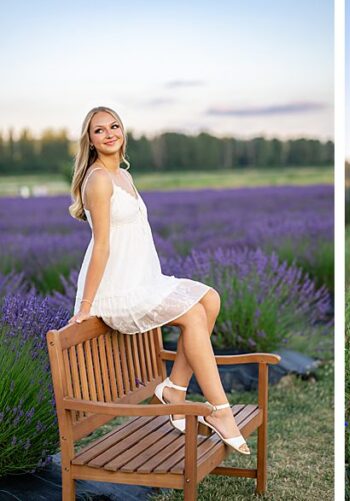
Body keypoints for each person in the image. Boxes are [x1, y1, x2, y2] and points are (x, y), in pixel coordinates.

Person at [68, 106, 250, 455]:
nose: (109, 134)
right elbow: (101, 246)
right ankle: (221, 411)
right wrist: (87, 306)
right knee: (194, 315)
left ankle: (175, 388)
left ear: (123, 131)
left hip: (144, 279)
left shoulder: (122, 175)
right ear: (90, 141)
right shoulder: (98, 180)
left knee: (210, 299)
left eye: (114, 126)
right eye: (99, 130)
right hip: (118, 291)